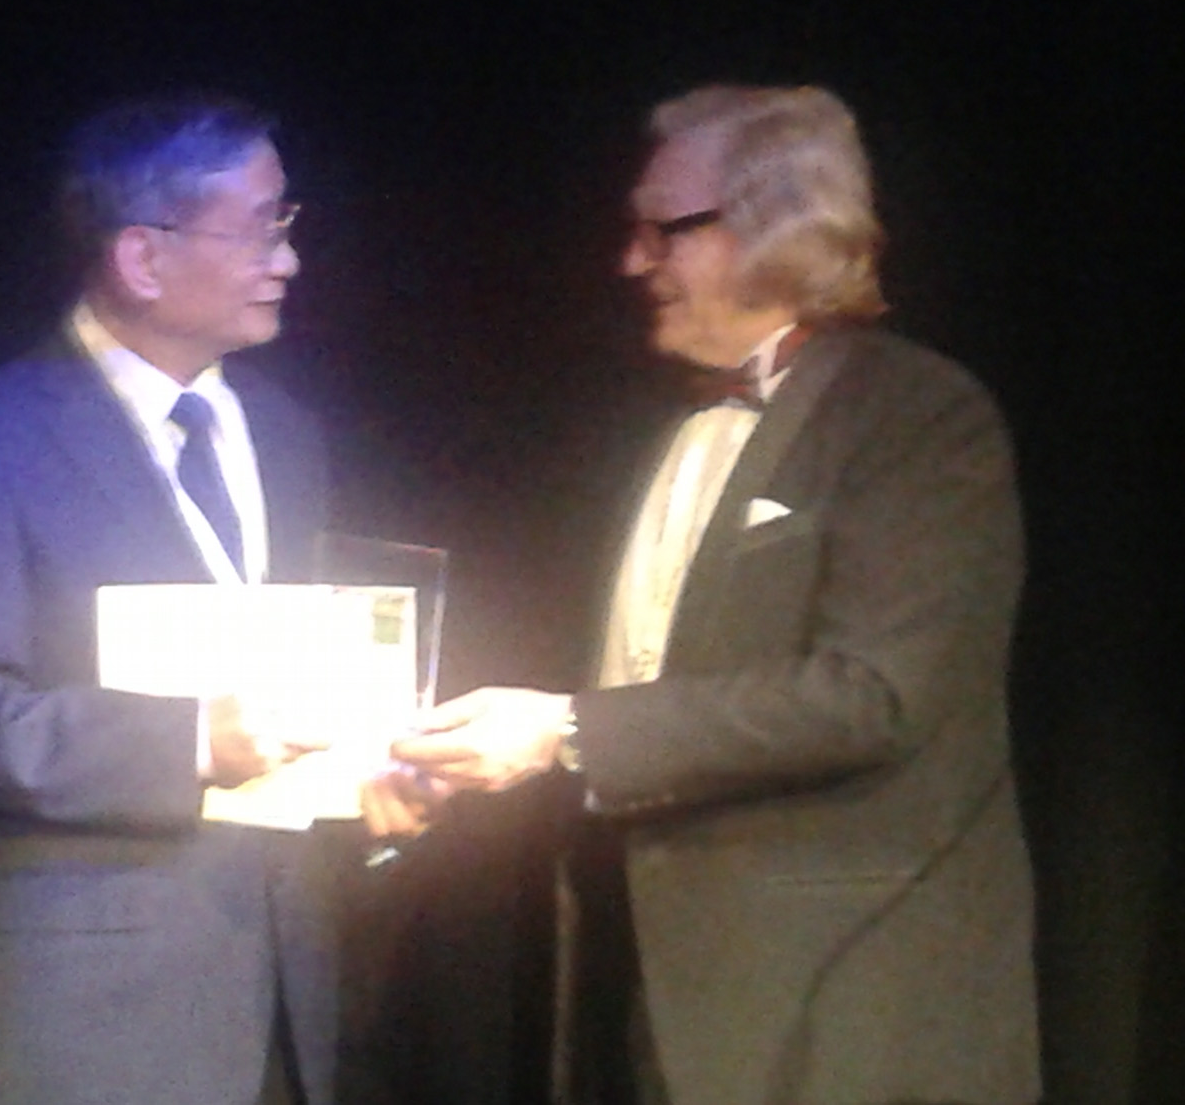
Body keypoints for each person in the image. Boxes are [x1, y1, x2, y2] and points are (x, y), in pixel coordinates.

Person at [392, 84, 1041, 1104]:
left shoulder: (917, 415)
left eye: (664, 231)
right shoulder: (658, 433)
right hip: (656, 999)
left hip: (843, 1014)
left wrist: (565, 730)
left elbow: (873, 694)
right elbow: (650, 695)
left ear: (775, 224)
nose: (631, 261)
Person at [0, 93, 363, 1105]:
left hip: (287, 998)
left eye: (288, 223)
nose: (288, 259)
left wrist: (373, 767)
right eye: (261, 228)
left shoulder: (287, 432)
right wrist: (190, 741)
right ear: (142, 257)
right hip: (93, 1017)